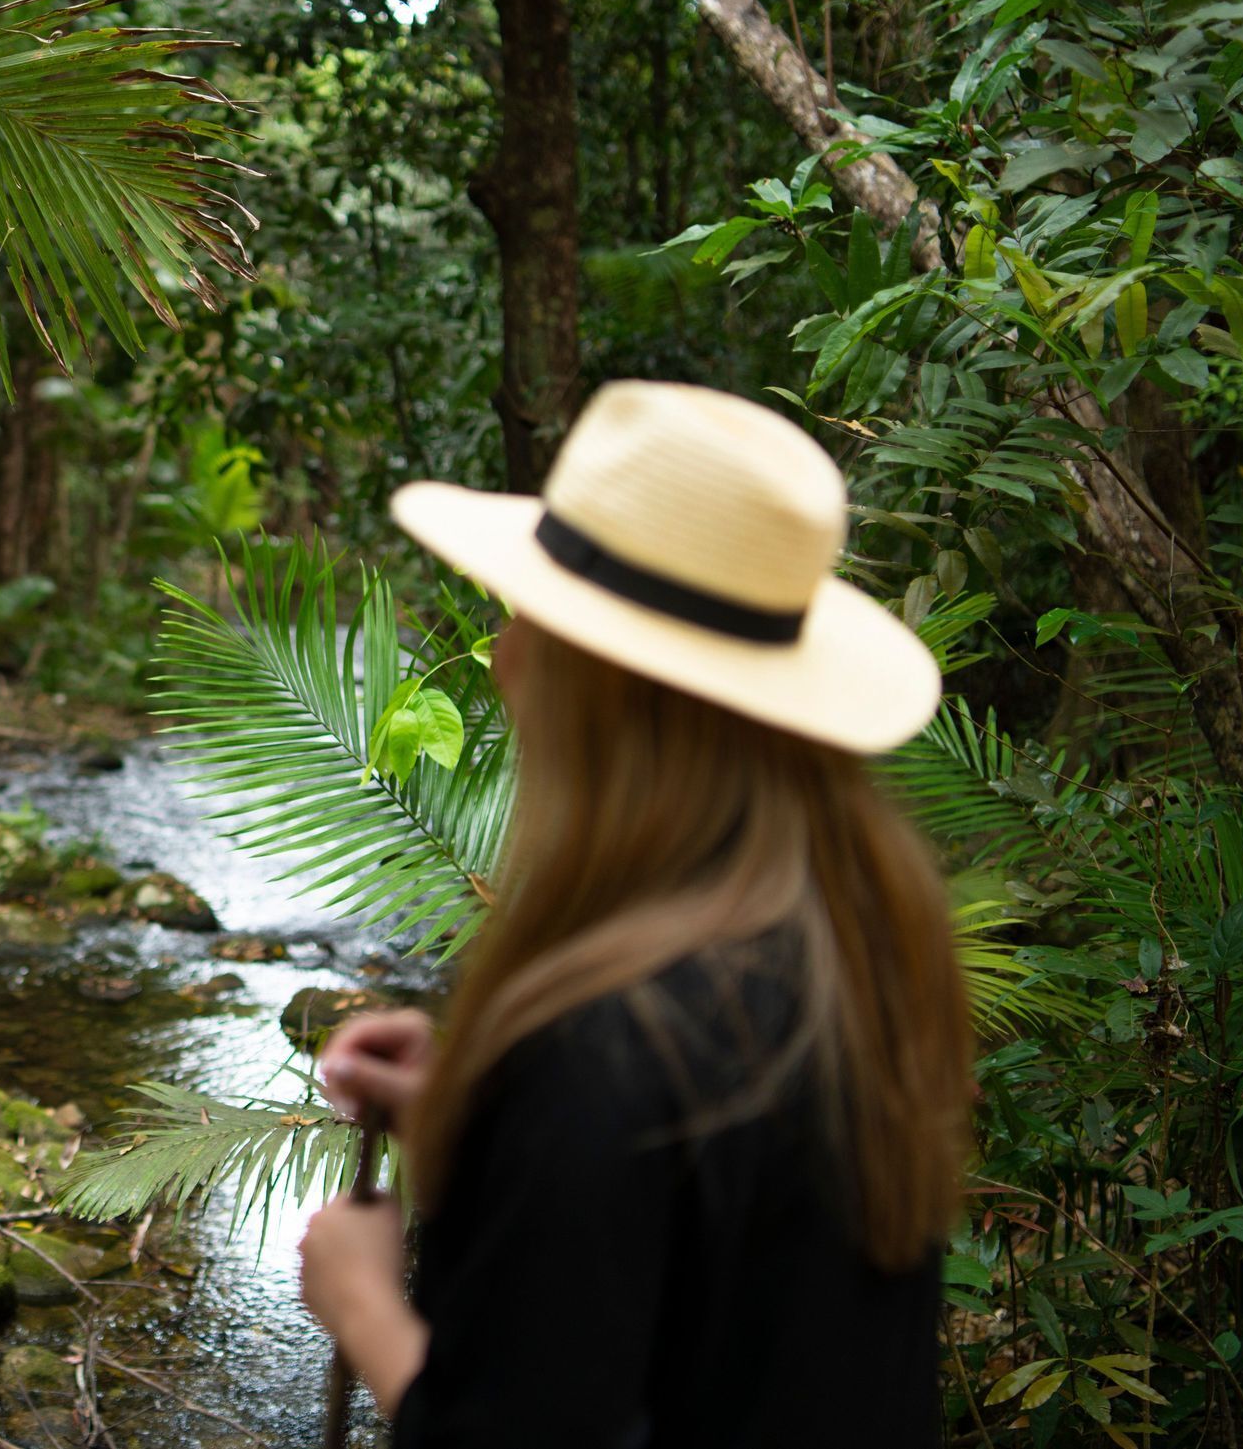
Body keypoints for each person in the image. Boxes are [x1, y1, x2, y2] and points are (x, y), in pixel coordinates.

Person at [299, 380, 974, 1447]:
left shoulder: (603, 1041)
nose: (506, 656)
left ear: (594, 688)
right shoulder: (858, 946)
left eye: (531, 624)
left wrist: (363, 1303)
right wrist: (477, 1127)